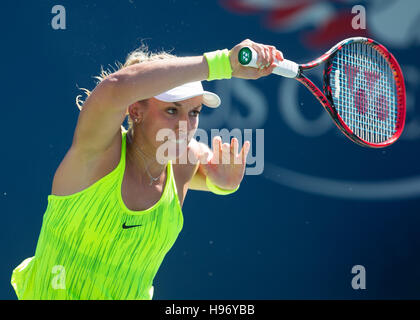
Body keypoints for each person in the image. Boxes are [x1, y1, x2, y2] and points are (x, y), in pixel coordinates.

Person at [10, 39, 283, 299]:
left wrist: (223, 184)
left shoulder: (183, 163)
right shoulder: (97, 154)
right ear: (135, 111)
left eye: (194, 112)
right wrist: (223, 63)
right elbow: (116, 86)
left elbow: (210, 167)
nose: (185, 126)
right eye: (172, 111)